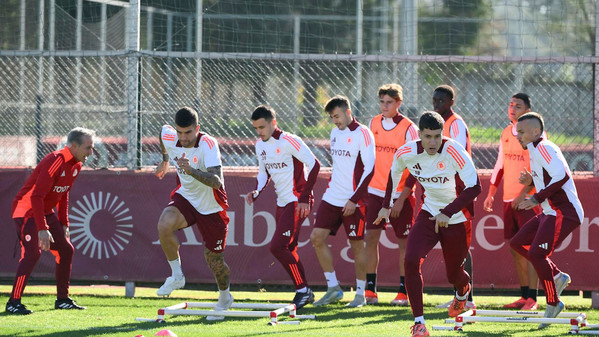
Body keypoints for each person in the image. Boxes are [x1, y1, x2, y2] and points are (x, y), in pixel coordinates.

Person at [375, 111, 481, 337]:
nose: (433, 142)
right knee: (411, 260)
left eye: (437, 136)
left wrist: (448, 211)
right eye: (427, 136)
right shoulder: (407, 152)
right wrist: (386, 204)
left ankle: (462, 292)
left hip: (457, 217)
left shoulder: (453, 150)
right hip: (429, 211)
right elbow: (393, 176)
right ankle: (419, 323)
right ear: (419, 135)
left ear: (442, 134)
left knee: (454, 275)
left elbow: (475, 187)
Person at [155, 107, 233, 320]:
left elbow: (216, 181)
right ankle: (177, 275)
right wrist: (165, 160)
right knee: (164, 224)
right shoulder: (170, 136)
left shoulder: (208, 144)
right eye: (180, 132)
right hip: (187, 198)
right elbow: (163, 134)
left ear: (197, 129)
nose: (183, 138)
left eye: (188, 132)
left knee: (214, 260)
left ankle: (225, 296)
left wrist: (191, 171)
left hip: (211, 206)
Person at [6, 127, 95, 314]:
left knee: (66, 249)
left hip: (44, 211)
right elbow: (36, 196)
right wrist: (42, 228)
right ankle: (13, 302)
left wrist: (64, 224)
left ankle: (62, 299)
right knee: (33, 253)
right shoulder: (55, 160)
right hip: (26, 210)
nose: (91, 152)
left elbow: (63, 195)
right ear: (73, 146)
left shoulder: (76, 165)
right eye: (87, 147)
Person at [245, 105, 321, 309]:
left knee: (277, 246)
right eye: (256, 128)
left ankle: (302, 290)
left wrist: (305, 197)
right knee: (289, 248)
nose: (259, 132)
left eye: (262, 127)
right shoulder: (260, 145)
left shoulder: (289, 140)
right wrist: (256, 191)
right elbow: (263, 173)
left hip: (297, 201)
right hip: (282, 202)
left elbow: (315, 165)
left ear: (273, 123)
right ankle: (305, 292)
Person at [511, 112, 583, 329]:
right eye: (517, 132)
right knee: (517, 243)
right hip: (549, 211)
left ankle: (553, 301)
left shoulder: (544, 147)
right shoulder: (535, 149)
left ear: (535, 131)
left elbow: (562, 176)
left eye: (522, 132)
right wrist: (532, 182)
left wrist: (536, 197)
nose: (518, 136)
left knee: (536, 253)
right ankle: (557, 276)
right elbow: (550, 178)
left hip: (564, 211)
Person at [310, 95, 375, 308]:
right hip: (332, 196)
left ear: (348, 111)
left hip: (353, 200)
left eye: (337, 116)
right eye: (331, 117)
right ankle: (333, 289)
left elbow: (370, 169)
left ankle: (360, 295)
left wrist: (354, 200)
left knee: (357, 245)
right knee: (316, 238)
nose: (334, 121)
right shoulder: (335, 132)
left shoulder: (363, 133)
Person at [483, 93, 539, 310]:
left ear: (527, 110)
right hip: (509, 200)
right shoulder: (507, 132)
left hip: (528, 201)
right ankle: (524, 295)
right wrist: (491, 193)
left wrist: (522, 195)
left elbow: (539, 170)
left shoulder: (535, 135)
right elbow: (500, 164)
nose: (513, 108)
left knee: (532, 249)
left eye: (518, 105)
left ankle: (533, 298)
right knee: (515, 249)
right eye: (511, 104)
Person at [364, 84, 418, 306]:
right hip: (375, 192)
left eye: (389, 102)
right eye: (382, 102)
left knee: (404, 243)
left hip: (399, 195)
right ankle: (370, 290)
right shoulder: (373, 123)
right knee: (371, 238)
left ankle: (404, 291)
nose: (384, 106)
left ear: (399, 103)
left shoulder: (409, 128)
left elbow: (415, 167)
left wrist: (402, 198)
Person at [432, 84, 476, 309]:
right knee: (453, 243)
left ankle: (468, 298)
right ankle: (461, 295)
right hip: (446, 189)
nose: (436, 104)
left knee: (461, 243)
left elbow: (456, 155)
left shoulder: (455, 123)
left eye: (441, 100)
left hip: (460, 189)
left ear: (451, 102)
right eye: (434, 100)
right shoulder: (437, 124)